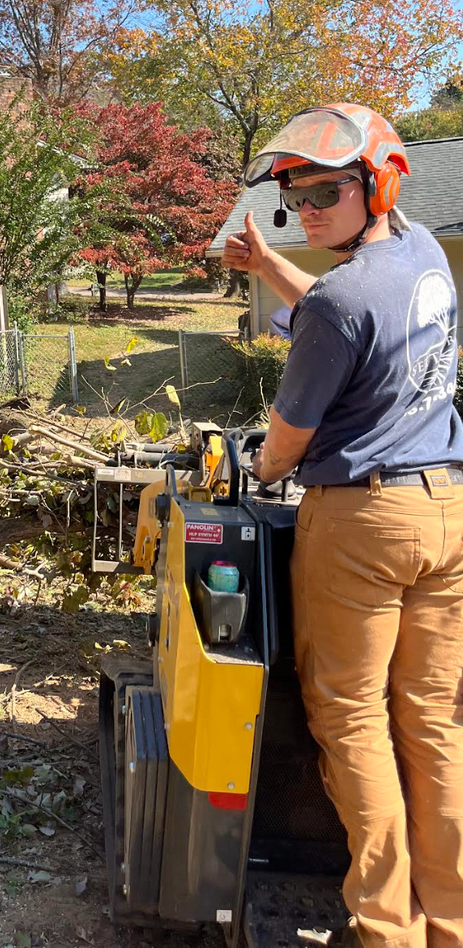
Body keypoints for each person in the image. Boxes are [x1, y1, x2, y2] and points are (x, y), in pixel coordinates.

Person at [223, 103, 463, 948]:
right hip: (445, 509)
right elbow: (348, 318)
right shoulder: (421, 251)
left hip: (363, 523)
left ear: (380, 181)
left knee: (350, 717)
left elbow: (285, 441)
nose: (309, 211)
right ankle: (450, 922)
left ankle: (384, 929)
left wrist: (257, 471)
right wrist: (270, 267)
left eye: (328, 190)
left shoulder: (339, 300)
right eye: (295, 197)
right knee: (431, 721)